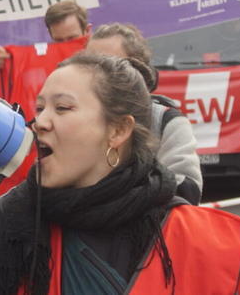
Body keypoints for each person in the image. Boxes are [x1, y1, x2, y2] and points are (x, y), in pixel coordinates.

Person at [0, 53, 240, 294]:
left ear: (118, 131)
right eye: (40, 107)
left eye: (62, 108)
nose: (39, 121)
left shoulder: (192, 237)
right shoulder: (13, 216)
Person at [86, 23, 203, 204]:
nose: (97, 74)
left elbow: (188, 192)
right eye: (89, 64)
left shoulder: (164, 121)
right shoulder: (76, 119)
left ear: (137, 69)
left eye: (110, 64)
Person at [0, 0, 92, 72]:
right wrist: (3, 65)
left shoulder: (103, 63)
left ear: (87, 31)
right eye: (59, 41)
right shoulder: (42, 64)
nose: (65, 46)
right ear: (51, 36)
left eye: (72, 39)